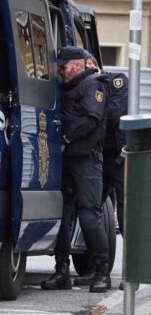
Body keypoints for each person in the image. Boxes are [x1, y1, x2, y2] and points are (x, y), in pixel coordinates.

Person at [41, 46, 110, 293]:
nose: (61, 69)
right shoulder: (64, 87)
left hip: (86, 159)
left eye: (65, 65)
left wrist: (66, 138)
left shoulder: (93, 84)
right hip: (67, 160)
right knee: (62, 216)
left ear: (79, 64)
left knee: (89, 215)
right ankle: (61, 271)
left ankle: (102, 271)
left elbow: (91, 119)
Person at [73, 51, 129, 290]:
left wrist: (92, 114)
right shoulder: (81, 90)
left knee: (126, 215)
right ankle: (97, 268)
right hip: (97, 156)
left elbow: (115, 114)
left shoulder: (115, 81)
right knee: (91, 211)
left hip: (119, 157)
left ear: (91, 65)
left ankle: (131, 273)